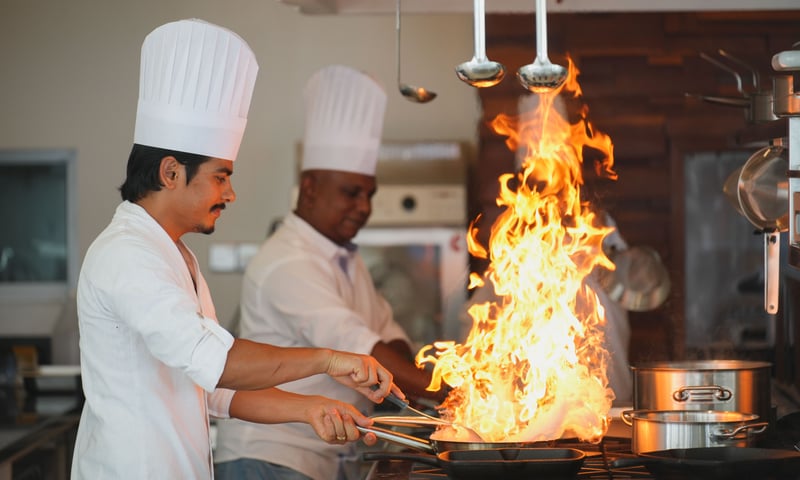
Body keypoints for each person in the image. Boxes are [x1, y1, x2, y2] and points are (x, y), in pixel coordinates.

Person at [71, 21, 395, 480]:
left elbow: (215, 388)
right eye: (221, 176)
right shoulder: (126, 254)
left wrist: (310, 408)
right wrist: (328, 359)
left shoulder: (173, 254)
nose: (230, 193)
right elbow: (217, 362)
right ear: (170, 172)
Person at [214, 65, 447, 480]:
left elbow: (388, 337)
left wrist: (427, 390)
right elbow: (362, 351)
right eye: (350, 192)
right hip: (268, 460)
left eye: (369, 194)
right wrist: (454, 395)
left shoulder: (345, 258)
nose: (364, 206)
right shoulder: (289, 262)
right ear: (310, 189)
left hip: (320, 458)